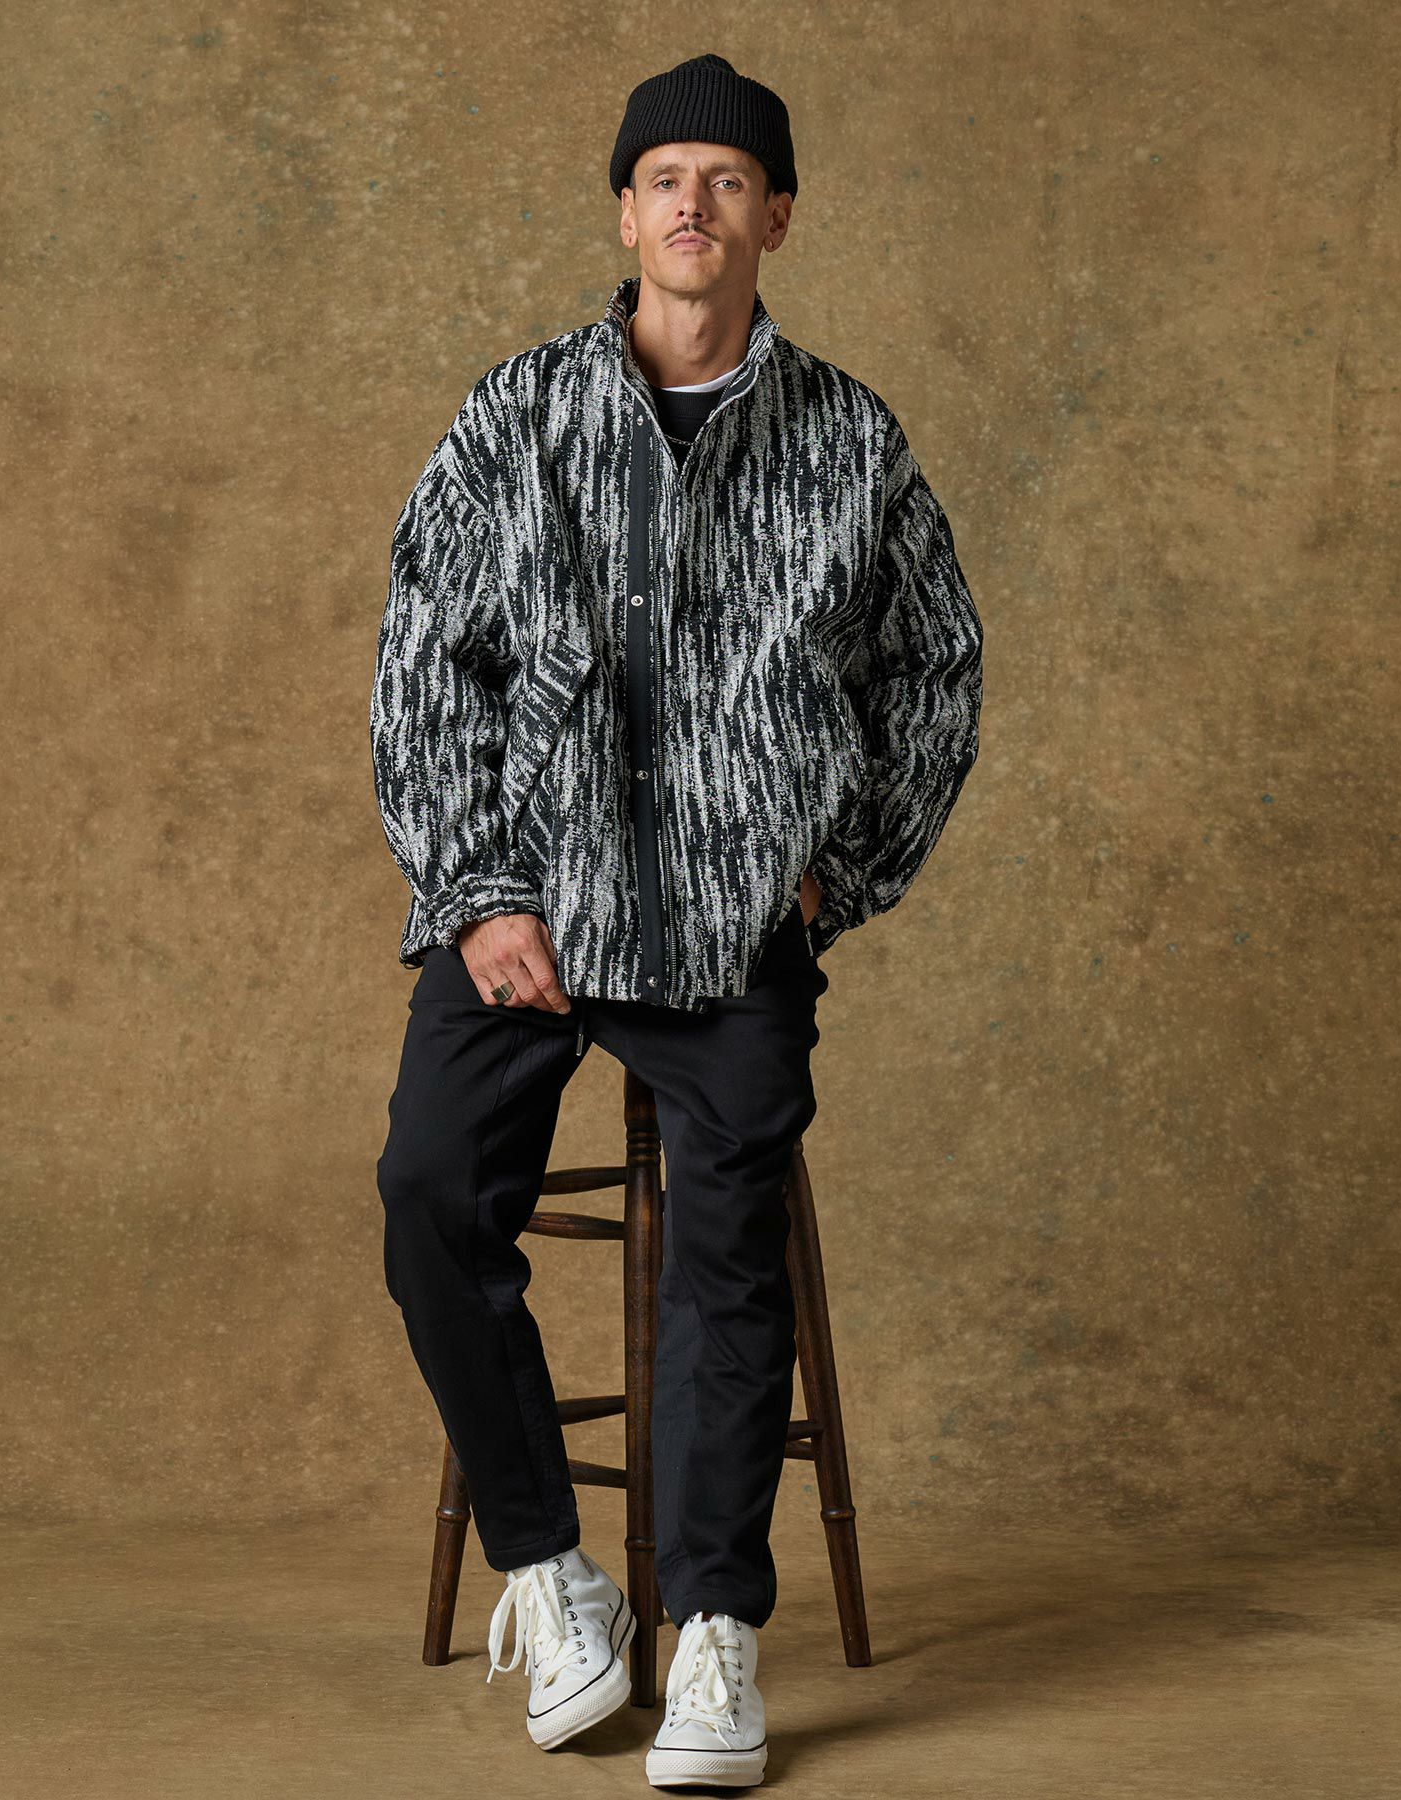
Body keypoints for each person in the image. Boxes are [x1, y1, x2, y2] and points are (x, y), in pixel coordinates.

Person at [370, 52, 984, 1790]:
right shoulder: (518, 416)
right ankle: (555, 1574)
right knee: (429, 1192)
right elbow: (425, 663)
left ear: (775, 217)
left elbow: (937, 670)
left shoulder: (848, 440)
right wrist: (481, 893)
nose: (693, 205)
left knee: (726, 1244)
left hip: (733, 927)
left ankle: (713, 1628)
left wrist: (839, 865)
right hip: (533, 913)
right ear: (625, 214)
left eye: (727, 179)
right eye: (665, 179)